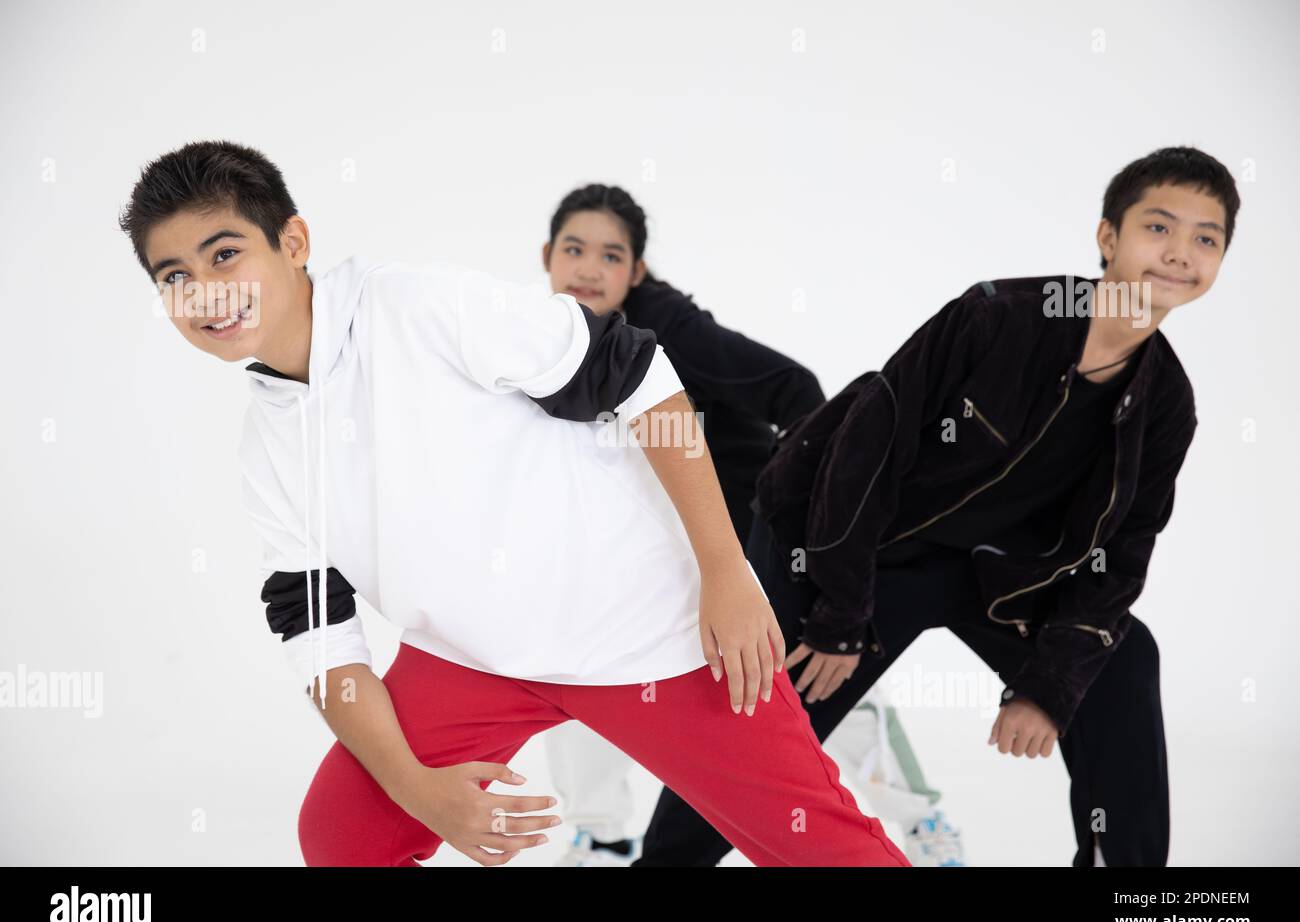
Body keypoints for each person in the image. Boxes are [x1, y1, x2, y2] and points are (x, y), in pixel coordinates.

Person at [117, 139, 911, 867]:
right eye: (176, 276)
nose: (208, 293)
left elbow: (639, 374)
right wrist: (413, 788)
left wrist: (727, 572)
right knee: (344, 833)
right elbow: (318, 632)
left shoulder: (417, 307)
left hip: (653, 636)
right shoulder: (268, 444)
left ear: (292, 242)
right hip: (475, 664)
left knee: (828, 851)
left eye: (226, 255)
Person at [633, 145, 1237, 867]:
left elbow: (1123, 556)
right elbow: (865, 450)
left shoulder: (1166, 401)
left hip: (991, 578)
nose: (1180, 253)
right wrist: (838, 616)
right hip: (841, 542)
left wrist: (1047, 685)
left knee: (1125, 655)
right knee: (765, 719)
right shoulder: (1001, 317)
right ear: (1109, 238)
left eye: (1207, 239)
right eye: (1159, 228)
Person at [538, 184, 968, 866]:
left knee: (806, 689)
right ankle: (606, 836)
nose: (589, 268)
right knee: (575, 668)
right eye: (574, 249)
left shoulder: (668, 328)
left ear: (637, 272)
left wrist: (805, 514)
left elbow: (794, 387)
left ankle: (924, 823)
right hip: (652, 556)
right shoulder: (544, 338)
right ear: (547, 257)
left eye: (611, 255)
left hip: (749, 545)